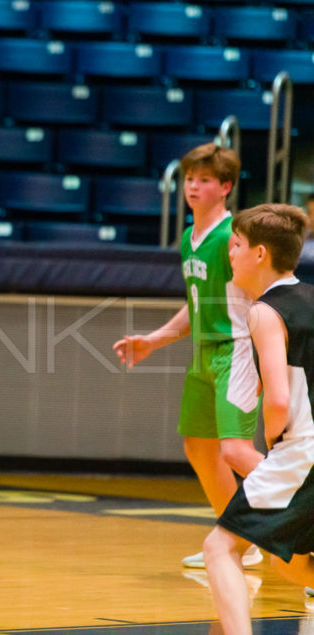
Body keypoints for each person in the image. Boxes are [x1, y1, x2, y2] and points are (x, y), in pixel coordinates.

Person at [113, 143, 264, 569]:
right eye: (189, 179)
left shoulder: (234, 237)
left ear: (226, 187)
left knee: (236, 452)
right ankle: (242, 537)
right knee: (199, 448)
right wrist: (155, 340)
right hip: (203, 353)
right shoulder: (188, 237)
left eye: (204, 180)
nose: (193, 187)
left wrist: (269, 356)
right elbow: (196, 304)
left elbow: (261, 296)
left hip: (235, 351)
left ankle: (302, 513)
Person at [203, 203, 314, 633]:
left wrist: (275, 446)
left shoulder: (265, 311)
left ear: (261, 254)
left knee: (219, 548)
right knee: (292, 565)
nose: (230, 253)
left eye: (236, 244)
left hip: (301, 450)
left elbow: (279, 400)